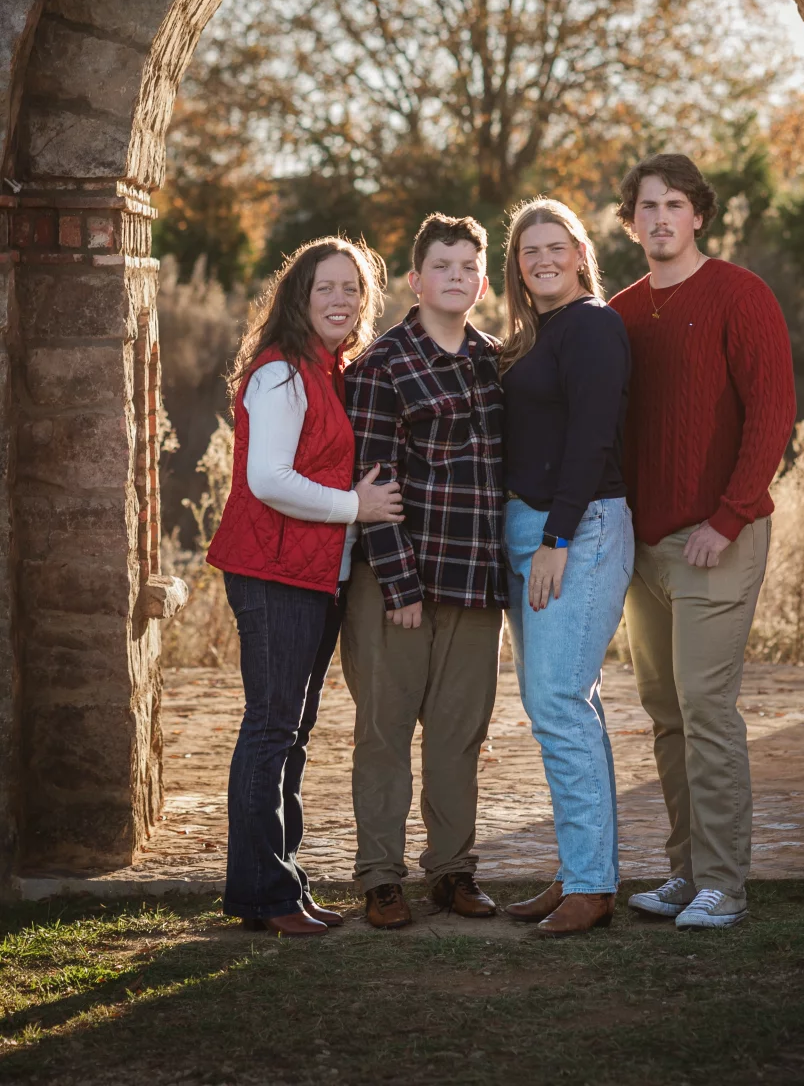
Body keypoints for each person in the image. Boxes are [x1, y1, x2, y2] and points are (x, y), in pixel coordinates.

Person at [609, 154, 796, 930]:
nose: (660, 218)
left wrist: (728, 517)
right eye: (646, 206)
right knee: (666, 711)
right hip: (643, 547)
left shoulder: (739, 294)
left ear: (698, 216)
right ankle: (686, 873)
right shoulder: (619, 312)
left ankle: (725, 883)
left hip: (717, 536)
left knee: (708, 708)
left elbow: (773, 413)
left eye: (674, 204)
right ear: (629, 222)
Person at [207, 237, 403, 937]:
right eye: (327, 287)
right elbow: (269, 480)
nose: (341, 300)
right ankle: (265, 893)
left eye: (353, 288)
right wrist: (358, 506)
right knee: (270, 729)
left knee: (290, 732)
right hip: (271, 572)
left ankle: (279, 885)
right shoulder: (282, 374)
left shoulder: (330, 370)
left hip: (313, 575)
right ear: (299, 295)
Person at [343, 214, 506, 929]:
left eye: (470, 266)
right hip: (396, 586)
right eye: (443, 266)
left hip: (476, 583)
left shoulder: (497, 361)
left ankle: (452, 872)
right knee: (384, 731)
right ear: (416, 279)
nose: (457, 278)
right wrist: (400, 583)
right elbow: (369, 483)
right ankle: (382, 878)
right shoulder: (383, 364)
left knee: (458, 734)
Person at [500, 198, 633, 937]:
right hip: (533, 527)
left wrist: (555, 537)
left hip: (579, 528)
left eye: (556, 246)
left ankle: (591, 885)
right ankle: (583, 871)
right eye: (528, 251)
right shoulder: (536, 336)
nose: (542, 259)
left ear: (581, 252)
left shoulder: (593, 326)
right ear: (517, 267)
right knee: (568, 705)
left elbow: (590, 438)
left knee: (557, 702)